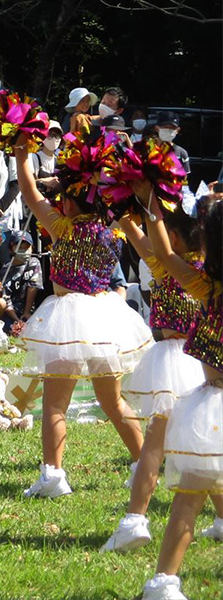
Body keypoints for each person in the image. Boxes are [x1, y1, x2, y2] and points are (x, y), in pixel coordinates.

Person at [13, 132, 150, 499]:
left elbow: (29, 192)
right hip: (106, 318)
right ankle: (143, 466)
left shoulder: (62, 228)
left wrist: (20, 153)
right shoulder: (112, 232)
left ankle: (53, 476)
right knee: (113, 401)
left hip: (69, 320)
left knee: (55, 404)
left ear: (70, 203)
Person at [102, 208, 221, 555]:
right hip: (197, 365)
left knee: (156, 442)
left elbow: (141, 236)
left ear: (178, 237)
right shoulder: (201, 273)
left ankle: (135, 519)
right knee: (206, 441)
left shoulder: (177, 269)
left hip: (176, 361)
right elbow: (134, 232)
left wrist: (144, 201)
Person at [132, 192, 223, 600]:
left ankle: (163, 581)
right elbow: (166, 252)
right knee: (191, 490)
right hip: (212, 406)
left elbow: (165, 253)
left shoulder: (205, 287)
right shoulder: (206, 286)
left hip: (210, 403)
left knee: (191, 493)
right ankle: (162, 582)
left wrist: (151, 203)